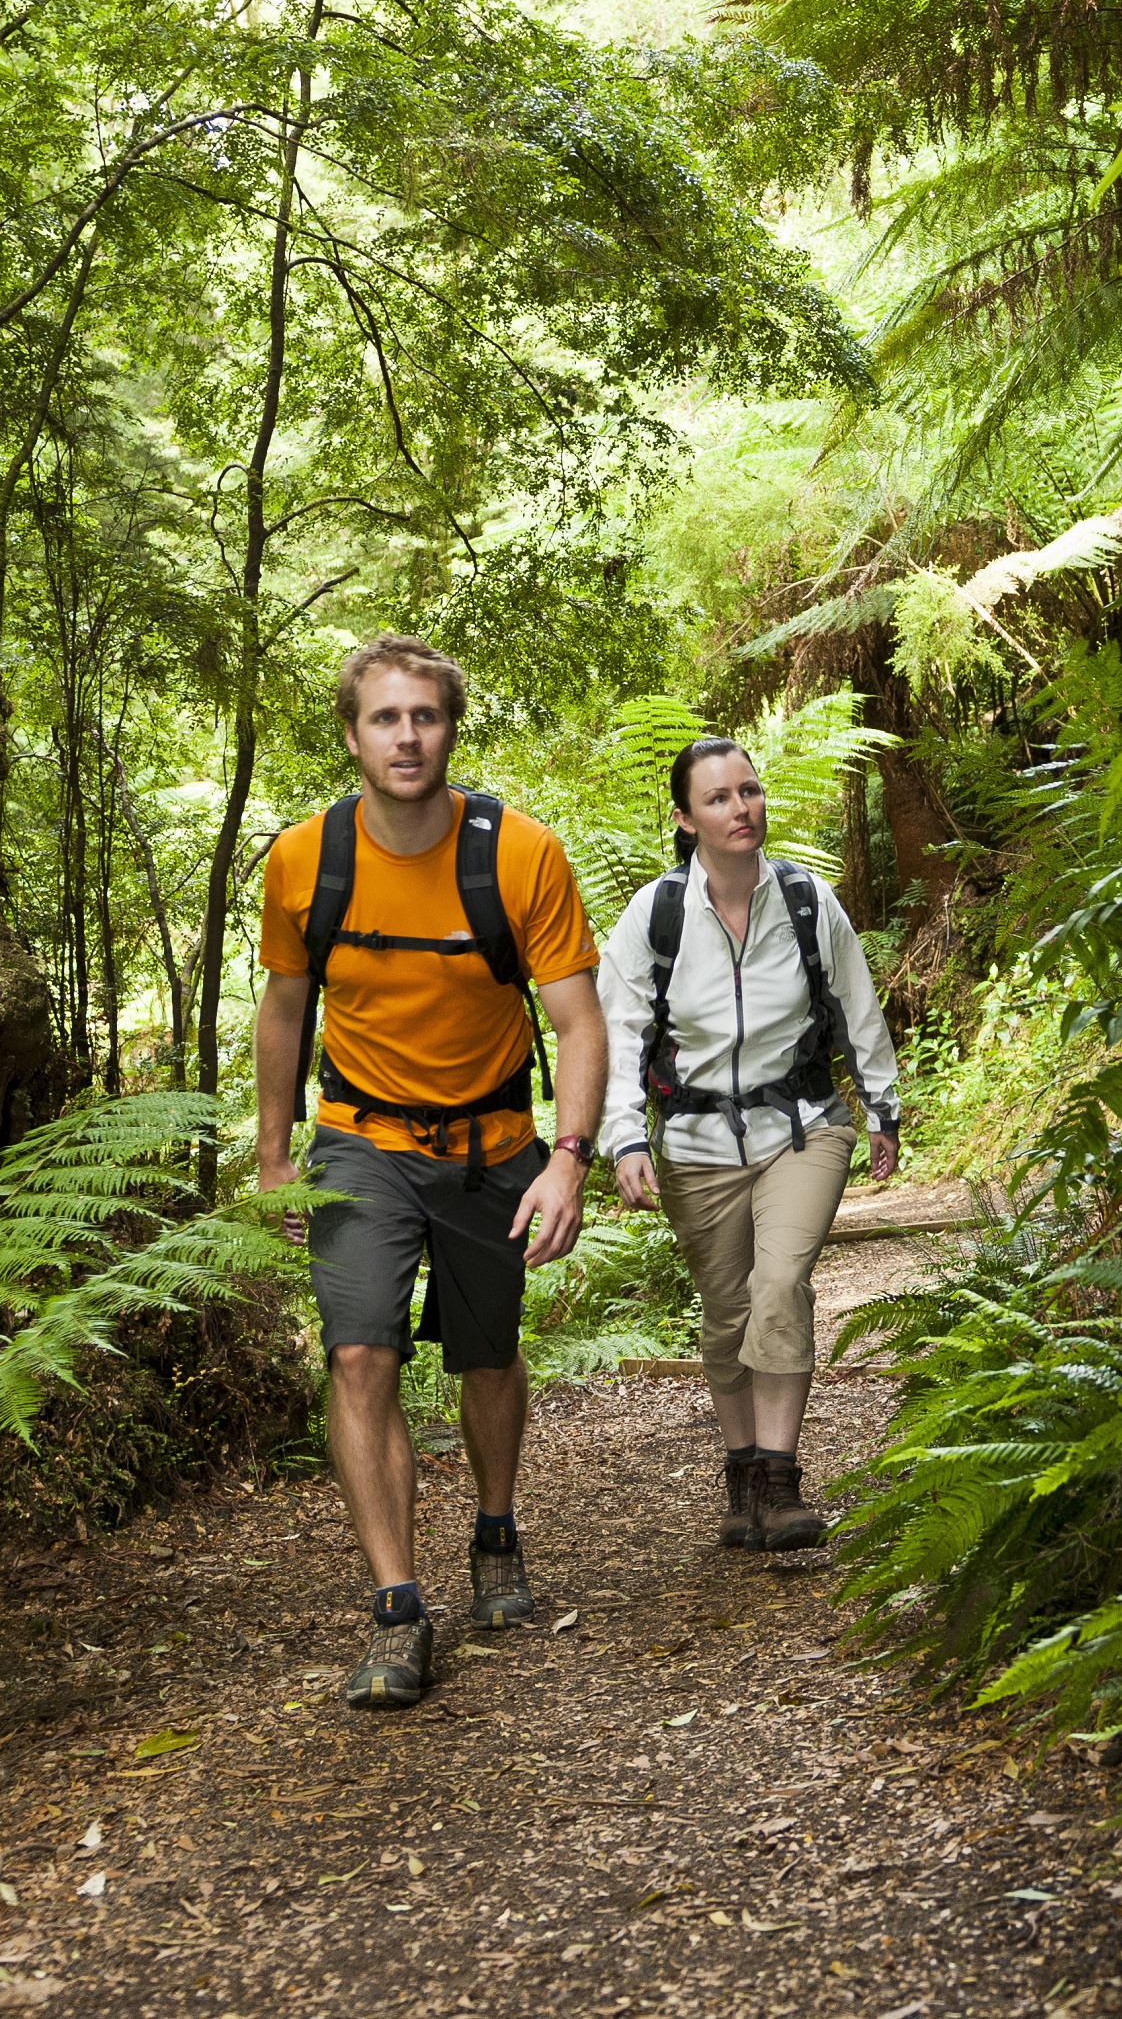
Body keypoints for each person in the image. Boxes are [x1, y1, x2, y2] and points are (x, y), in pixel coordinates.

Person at [256, 635, 606, 1712]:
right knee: (359, 1353)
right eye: (385, 718)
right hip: (359, 1141)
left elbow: (579, 1021)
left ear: (450, 728)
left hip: (493, 1144)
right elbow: (283, 1009)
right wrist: (273, 1154)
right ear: (351, 735)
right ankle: (397, 1605)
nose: (406, 737)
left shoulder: (521, 853)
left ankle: (495, 1530)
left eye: (425, 716)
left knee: (488, 1356)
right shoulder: (303, 860)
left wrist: (568, 1158)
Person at [598, 734, 902, 1554]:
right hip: (695, 1143)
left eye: (750, 790)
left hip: (802, 1127)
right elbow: (619, 1035)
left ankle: (778, 1477)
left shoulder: (806, 900)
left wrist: (882, 1109)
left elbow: (857, 1006)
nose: (742, 808)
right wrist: (624, 1138)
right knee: (727, 1311)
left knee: (780, 1284)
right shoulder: (655, 915)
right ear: (685, 818)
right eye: (720, 798)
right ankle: (740, 1474)